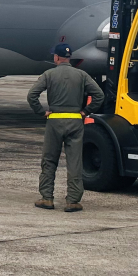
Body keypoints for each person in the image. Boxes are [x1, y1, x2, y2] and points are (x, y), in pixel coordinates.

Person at [26, 43, 105, 212]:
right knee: (75, 162)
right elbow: (99, 95)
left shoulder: (49, 74)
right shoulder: (82, 75)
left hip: (54, 122)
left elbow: (32, 95)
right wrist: (85, 111)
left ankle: (47, 198)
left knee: (49, 160)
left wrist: (41, 112)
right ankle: (73, 201)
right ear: (68, 58)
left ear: (56, 57)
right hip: (75, 121)